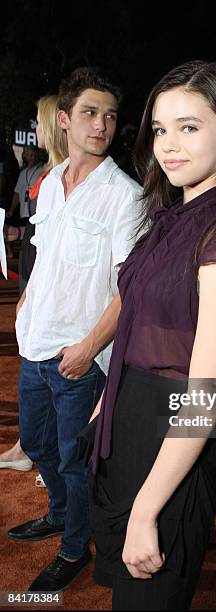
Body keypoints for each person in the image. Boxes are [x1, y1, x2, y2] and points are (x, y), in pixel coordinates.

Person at [88, 60, 216, 611]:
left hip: (171, 445)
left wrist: (147, 512)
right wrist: (107, 402)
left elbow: (206, 396)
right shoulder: (169, 216)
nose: (169, 145)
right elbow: (139, 323)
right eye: (162, 129)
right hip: (128, 420)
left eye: (189, 128)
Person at [7, 66, 143, 593]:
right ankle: (61, 514)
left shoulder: (124, 196)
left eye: (110, 116)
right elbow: (44, 256)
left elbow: (127, 288)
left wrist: (89, 349)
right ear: (64, 120)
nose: (101, 125)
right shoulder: (50, 185)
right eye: (89, 113)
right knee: (37, 447)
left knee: (72, 460)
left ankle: (73, 548)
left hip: (77, 356)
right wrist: (24, 306)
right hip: (35, 342)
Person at [0, 95, 69, 478]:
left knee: (53, 373)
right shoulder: (48, 173)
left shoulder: (65, 176)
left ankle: (48, 454)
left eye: (40, 124)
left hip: (47, 283)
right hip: (32, 276)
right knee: (32, 369)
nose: (36, 131)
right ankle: (26, 445)